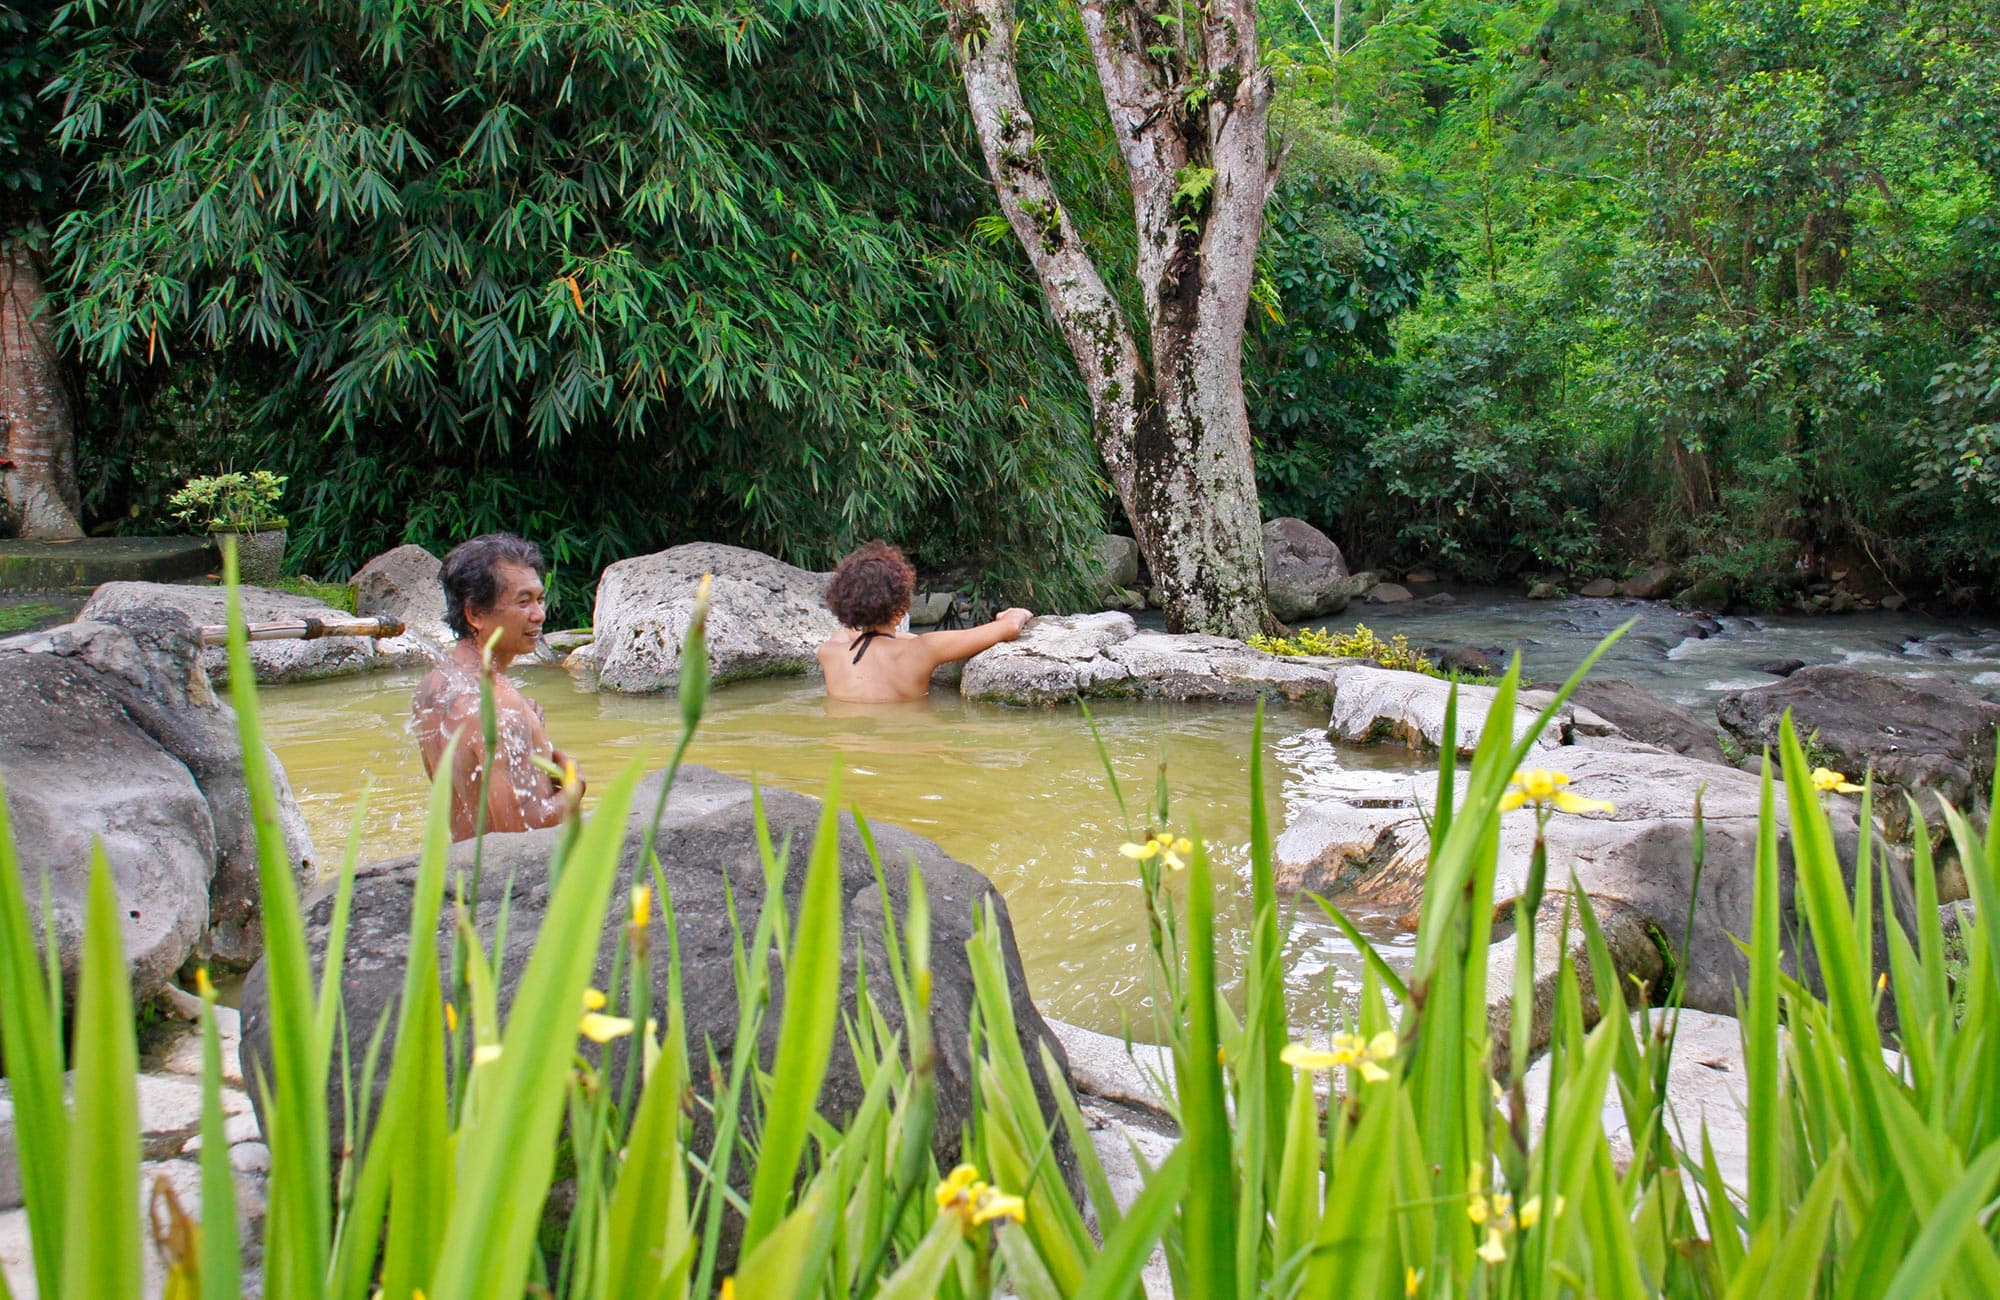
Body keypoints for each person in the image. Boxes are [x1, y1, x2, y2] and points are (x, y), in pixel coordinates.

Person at [411, 533, 583, 840]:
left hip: (462, 869)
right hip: (508, 883)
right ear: (475, 613)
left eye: (540, 599)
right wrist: (574, 788)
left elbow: (466, 792)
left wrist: (527, 733)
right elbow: (517, 834)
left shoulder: (432, 686)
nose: (539, 615)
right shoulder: (500, 707)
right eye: (524, 601)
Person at [817, 541, 1032, 702]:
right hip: (910, 748)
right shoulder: (922, 650)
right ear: (901, 607)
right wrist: (1014, 613)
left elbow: (855, 635)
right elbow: (1010, 627)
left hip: (848, 755)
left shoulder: (828, 652)